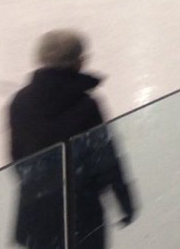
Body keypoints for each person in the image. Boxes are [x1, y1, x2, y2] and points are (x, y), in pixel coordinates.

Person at [8, 30, 135, 249]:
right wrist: (124, 199)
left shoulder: (20, 101)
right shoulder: (86, 105)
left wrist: (35, 186)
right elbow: (104, 157)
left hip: (37, 210)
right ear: (79, 61)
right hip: (81, 212)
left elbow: (16, 156)